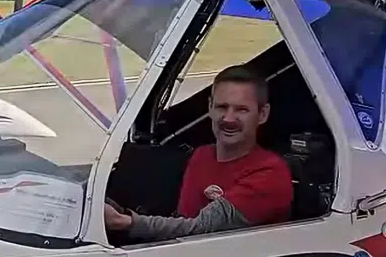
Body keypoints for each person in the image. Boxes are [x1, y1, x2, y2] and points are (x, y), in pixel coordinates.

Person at [104, 65, 293, 241]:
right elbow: (179, 221)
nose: (228, 118)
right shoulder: (201, 156)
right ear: (210, 107)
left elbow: (200, 230)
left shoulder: (270, 174)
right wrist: (114, 210)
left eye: (241, 110)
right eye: (222, 107)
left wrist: (124, 221)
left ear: (262, 114)